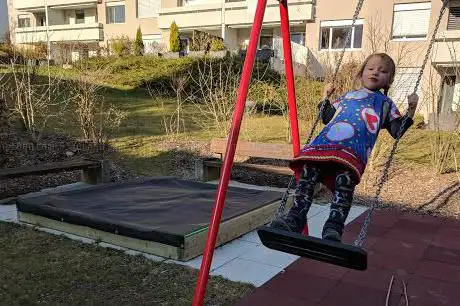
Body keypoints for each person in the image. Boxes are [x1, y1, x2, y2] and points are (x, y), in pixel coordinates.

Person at [271, 53, 419, 242]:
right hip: (324, 146)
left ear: (388, 80)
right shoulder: (348, 96)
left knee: (344, 185)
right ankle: (294, 219)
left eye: (382, 71)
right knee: (307, 178)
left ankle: (333, 228)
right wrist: (325, 96)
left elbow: (397, 131)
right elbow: (326, 117)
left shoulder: (385, 104)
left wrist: (411, 109)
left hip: (352, 153)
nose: (375, 73)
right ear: (361, 73)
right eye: (371, 68)